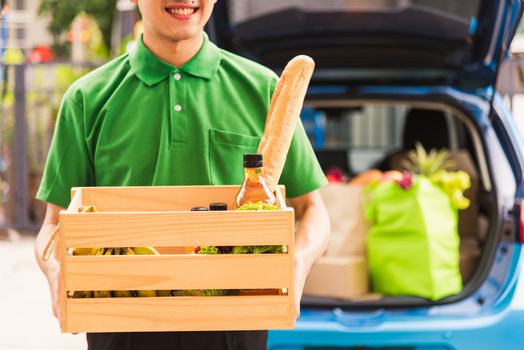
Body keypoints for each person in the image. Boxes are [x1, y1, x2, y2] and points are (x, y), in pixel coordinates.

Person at [33, 0, 331, 349]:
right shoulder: (86, 100)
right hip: (120, 324)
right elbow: (54, 224)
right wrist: (56, 270)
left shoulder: (263, 89)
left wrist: (298, 261)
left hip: (233, 324)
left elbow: (313, 208)